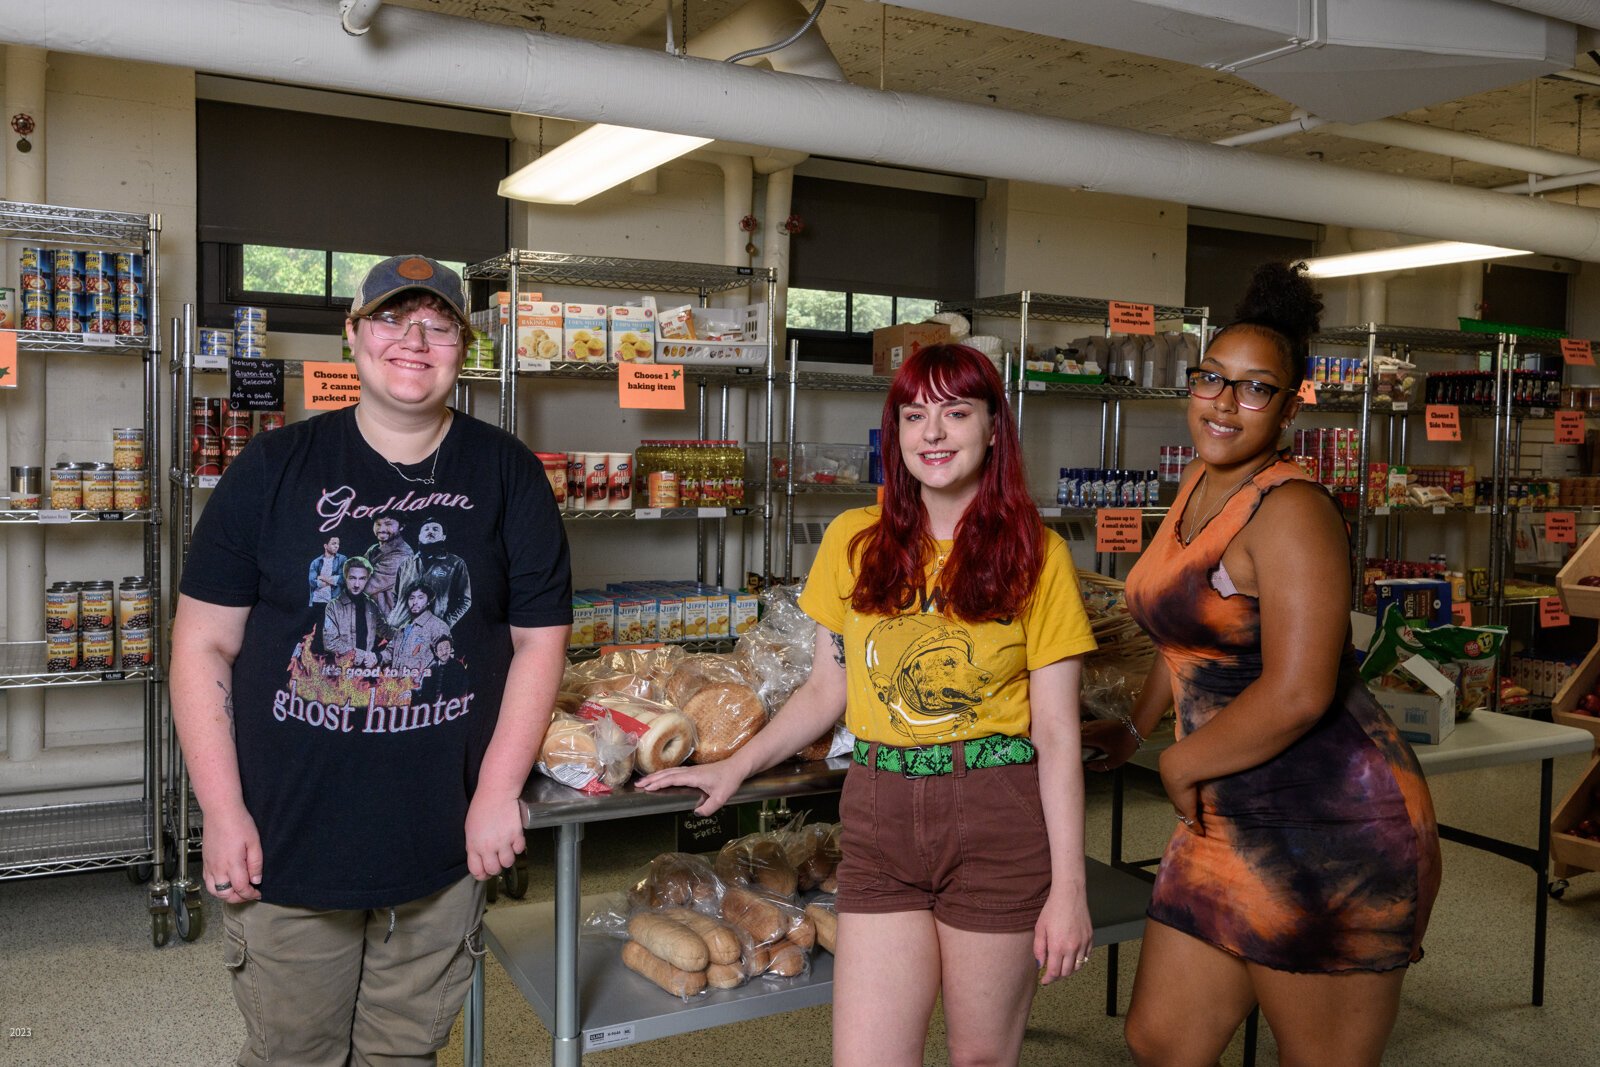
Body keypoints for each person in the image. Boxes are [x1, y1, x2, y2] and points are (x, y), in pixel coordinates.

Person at [640, 343, 1099, 1067]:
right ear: (896, 434)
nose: (934, 433)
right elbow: (828, 690)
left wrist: (1070, 888)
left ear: (992, 428)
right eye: (915, 415)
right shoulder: (856, 540)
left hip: (996, 812)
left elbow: (1057, 731)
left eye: (956, 412)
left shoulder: (1037, 554)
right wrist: (734, 765)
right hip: (881, 810)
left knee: (981, 1057)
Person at [170, 254, 572, 1067]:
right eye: (391, 319)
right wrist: (221, 810)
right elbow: (201, 644)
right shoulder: (270, 471)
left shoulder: (509, 475)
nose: (413, 341)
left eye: (437, 324)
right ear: (352, 337)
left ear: (466, 344)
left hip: (441, 840)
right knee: (294, 1054)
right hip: (287, 840)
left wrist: (497, 793)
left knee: (403, 1056)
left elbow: (540, 642)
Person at [1081, 261, 1442, 1067]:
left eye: (1255, 388)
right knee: (1163, 1040)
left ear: (1289, 404)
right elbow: (1191, 640)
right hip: (1224, 812)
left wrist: (1179, 762)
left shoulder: (1294, 510)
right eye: (1214, 378)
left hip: (1330, 822)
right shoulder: (1198, 484)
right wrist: (1135, 730)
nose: (1225, 401)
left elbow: (1300, 690)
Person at [391, 517, 473, 629]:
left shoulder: (455, 563)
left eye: (435, 529)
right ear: (419, 536)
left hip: (433, 631)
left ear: (443, 537)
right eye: (426, 529)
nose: (430, 531)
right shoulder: (405, 565)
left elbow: (465, 600)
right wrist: (397, 617)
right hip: (402, 629)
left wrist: (446, 624)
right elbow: (395, 595)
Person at [319, 555, 385, 669]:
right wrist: (363, 655)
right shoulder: (333, 606)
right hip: (341, 671)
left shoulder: (371, 606)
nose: (356, 584)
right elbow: (330, 642)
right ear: (345, 577)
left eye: (362, 578)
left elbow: (384, 629)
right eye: (352, 578)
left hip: (367, 670)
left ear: (367, 579)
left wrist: (405, 631)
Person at [364, 514, 413, 620]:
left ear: (402, 526)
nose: (381, 529)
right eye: (378, 524)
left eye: (388, 524)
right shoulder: (374, 549)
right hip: (371, 618)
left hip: (389, 623)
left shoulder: (403, 554)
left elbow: (364, 586)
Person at [307, 534, 346, 606]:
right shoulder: (316, 562)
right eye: (333, 543)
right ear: (325, 546)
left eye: (338, 544)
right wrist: (330, 581)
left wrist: (322, 578)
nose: (336, 546)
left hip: (333, 601)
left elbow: (342, 579)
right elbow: (312, 582)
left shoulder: (342, 559)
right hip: (317, 600)